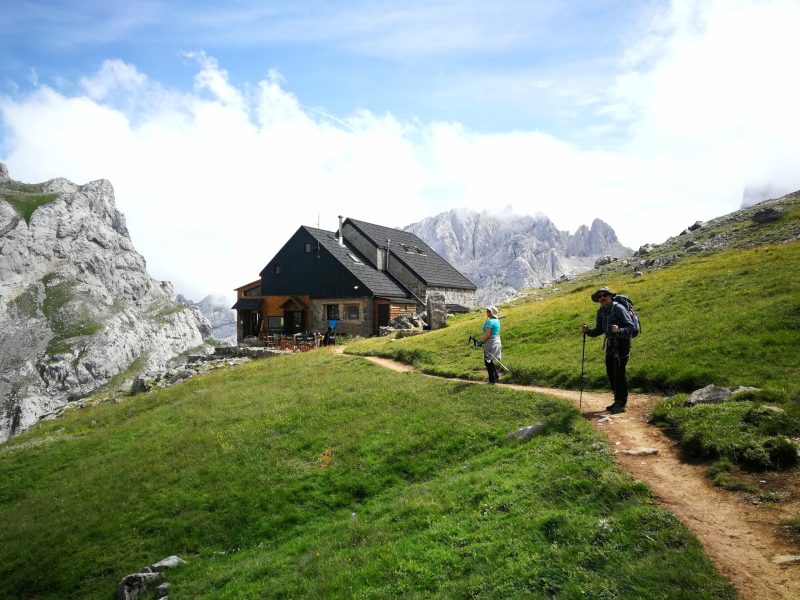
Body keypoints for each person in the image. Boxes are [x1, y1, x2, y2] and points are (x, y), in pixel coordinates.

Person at [581, 286, 636, 413]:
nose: (602, 298)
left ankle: (621, 402)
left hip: (622, 344)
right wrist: (588, 331)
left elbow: (631, 328)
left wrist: (619, 330)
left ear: (610, 296)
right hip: (611, 345)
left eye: (604, 295)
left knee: (619, 373)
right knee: (611, 372)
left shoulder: (619, 309)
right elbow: (600, 329)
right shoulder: (601, 311)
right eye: (600, 296)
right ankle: (617, 400)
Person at [481, 305, 502, 384]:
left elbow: (487, 334)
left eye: (488, 311)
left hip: (490, 343)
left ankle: (492, 380)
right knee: (490, 360)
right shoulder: (497, 320)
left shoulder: (490, 321)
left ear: (491, 313)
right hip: (497, 341)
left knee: (488, 361)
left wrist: (482, 342)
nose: (486, 312)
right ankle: (496, 376)